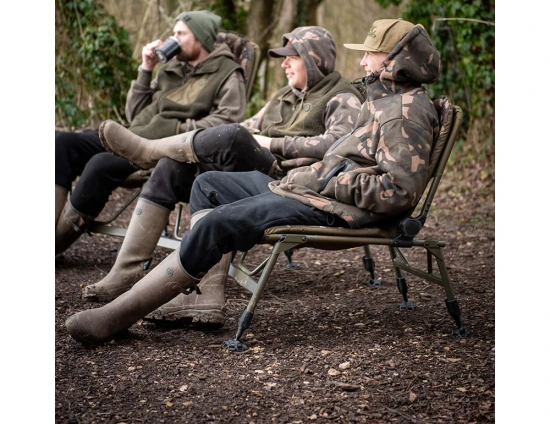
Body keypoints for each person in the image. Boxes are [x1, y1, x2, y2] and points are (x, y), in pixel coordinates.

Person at [66, 18, 442, 345]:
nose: (361, 62)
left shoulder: (403, 113)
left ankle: (118, 315)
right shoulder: (382, 101)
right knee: (209, 186)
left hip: (329, 205)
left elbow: (398, 193)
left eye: (370, 54)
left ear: (395, 60)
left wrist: (327, 179)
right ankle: (198, 295)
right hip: (306, 187)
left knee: (216, 223)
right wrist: (318, 175)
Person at [55, 10, 247, 256]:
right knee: (64, 143)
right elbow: (135, 114)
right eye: (174, 33)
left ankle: (56, 244)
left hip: (163, 148)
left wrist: (178, 130)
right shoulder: (171, 68)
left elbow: (227, 122)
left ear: (200, 38)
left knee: (100, 164)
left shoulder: (228, 72)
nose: (173, 39)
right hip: (133, 134)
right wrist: (146, 69)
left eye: (180, 33)